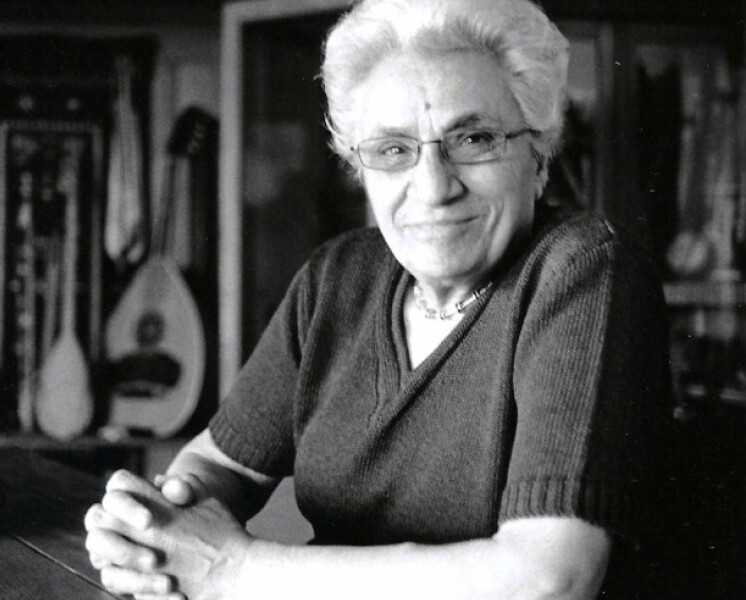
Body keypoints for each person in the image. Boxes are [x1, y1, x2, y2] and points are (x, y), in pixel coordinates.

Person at [84, 0, 671, 597]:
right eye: (393, 149)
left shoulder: (583, 269)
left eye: (474, 138)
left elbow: (548, 580)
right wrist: (157, 531)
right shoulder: (338, 278)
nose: (434, 187)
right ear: (360, 170)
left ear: (539, 157)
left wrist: (233, 569)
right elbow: (220, 461)